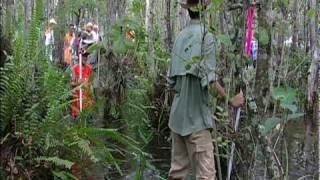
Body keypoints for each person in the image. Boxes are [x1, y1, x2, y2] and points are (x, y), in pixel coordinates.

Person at [168, 0, 245, 179]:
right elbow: (209, 79)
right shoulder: (206, 36)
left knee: (177, 173)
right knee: (206, 175)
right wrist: (231, 100)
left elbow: (171, 82)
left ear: (188, 11)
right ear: (205, 9)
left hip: (177, 118)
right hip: (197, 121)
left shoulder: (180, 37)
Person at [71, 45, 94, 117]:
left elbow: (90, 82)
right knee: (78, 115)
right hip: (78, 94)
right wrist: (78, 82)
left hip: (86, 95)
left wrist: (88, 85)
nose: (85, 58)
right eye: (84, 56)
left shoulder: (89, 68)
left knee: (87, 114)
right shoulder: (75, 68)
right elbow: (72, 83)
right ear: (80, 57)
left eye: (86, 56)